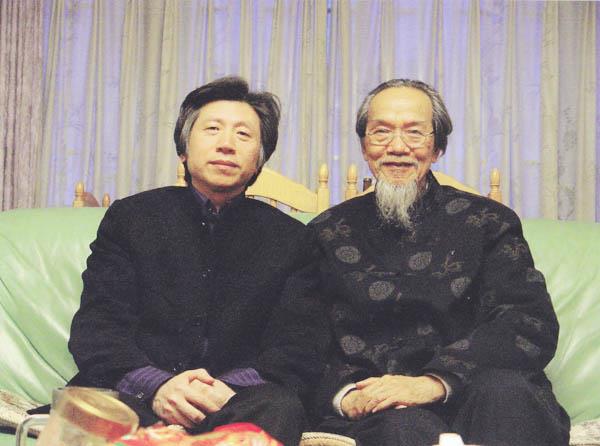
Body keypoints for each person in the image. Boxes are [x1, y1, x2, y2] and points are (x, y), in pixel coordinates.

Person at [68, 76, 328, 445]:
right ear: (184, 149)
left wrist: (224, 390)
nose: (226, 144)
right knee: (89, 406)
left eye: (243, 135)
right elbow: (98, 327)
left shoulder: (292, 239)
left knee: (280, 406)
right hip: (139, 394)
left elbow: (299, 346)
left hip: (239, 402)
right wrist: (157, 386)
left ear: (259, 160)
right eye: (212, 129)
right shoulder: (131, 218)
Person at [309, 79, 570, 446]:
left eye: (414, 133)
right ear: (365, 146)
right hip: (386, 407)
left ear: (437, 147)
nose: (397, 147)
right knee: (400, 430)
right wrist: (347, 395)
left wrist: (434, 382)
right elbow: (303, 338)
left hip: (480, 389)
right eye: (381, 132)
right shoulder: (326, 232)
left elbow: (528, 322)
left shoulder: (488, 222)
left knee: (507, 396)